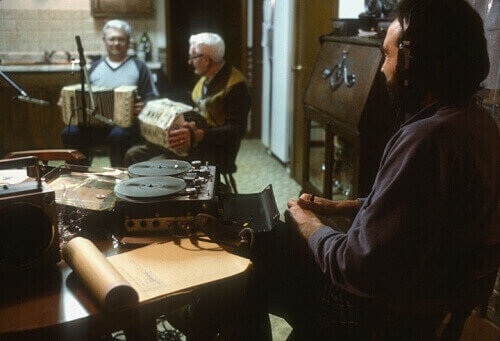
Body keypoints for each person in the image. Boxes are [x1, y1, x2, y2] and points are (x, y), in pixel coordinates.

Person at [170, 0, 499, 339]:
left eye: (387, 55)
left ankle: (199, 316)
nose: (383, 70)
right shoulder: (476, 122)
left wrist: (309, 224)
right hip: (426, 303)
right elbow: (419, 211)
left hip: (376, 319)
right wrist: (343, 206)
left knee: (255, 246)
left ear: (417, 62)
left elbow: (358, 267)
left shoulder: (426, 138)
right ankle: (203, 314)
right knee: (265, 243)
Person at [124, 32, 251, 173]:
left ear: (206, 60)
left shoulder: (236, 86)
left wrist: (198, 135)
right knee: (133, 155)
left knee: (152, 166)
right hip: (194, 144)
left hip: (215, 151)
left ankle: (164, 193)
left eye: (192, 57)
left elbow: (236, 131)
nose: (189, 62)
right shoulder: (206, 77)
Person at [60, 19, 158, 167]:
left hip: (126, 127)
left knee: (118, 135)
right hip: (94, 126)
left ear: (128, 41)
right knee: (70, 132)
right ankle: (77, 174)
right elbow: (82, 97)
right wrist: (67, 103)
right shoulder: (93, 68)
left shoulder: (140, 66)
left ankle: (119, 177)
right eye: (112, 39)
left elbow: (152, 98)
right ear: (104, 41)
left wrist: (142, 106)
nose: (116, 43)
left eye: (121, 39)